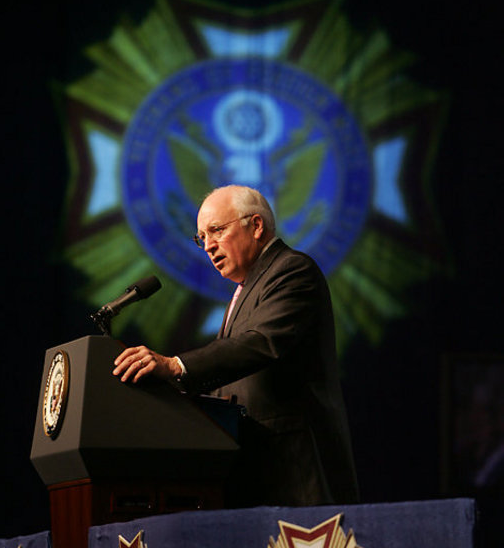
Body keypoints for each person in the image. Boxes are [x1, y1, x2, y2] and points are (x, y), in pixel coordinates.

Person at [114, 185, 358, 506]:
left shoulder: (292, 270)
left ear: (256, 226)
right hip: (255, 474)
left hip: (294, 474)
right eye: (202, 238)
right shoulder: (245, 289)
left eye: (216, 231)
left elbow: (260, 343)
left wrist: (176, 366)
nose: (209, 247)